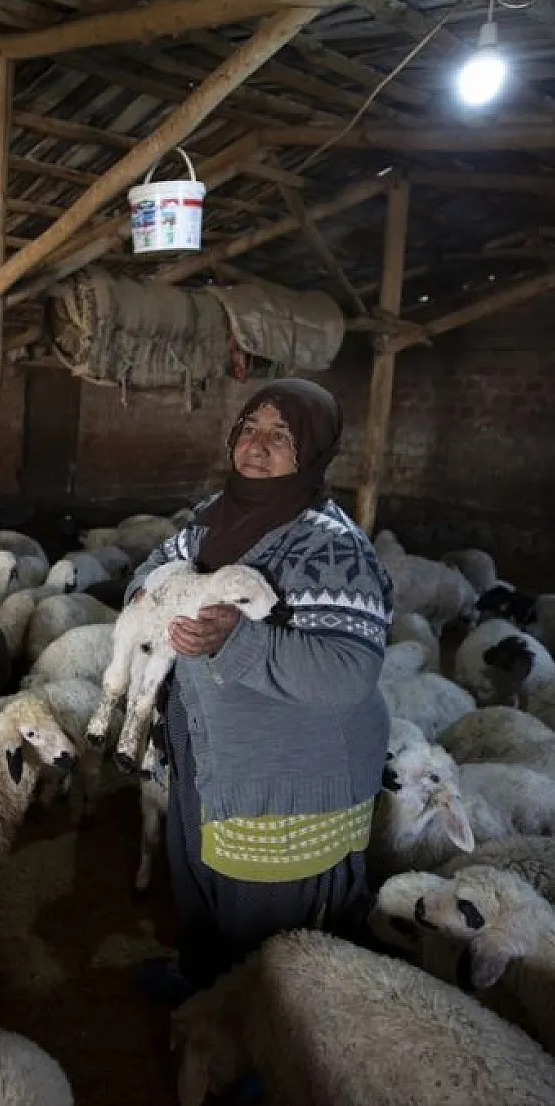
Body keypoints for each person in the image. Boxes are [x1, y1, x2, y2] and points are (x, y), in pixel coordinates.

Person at [130, 377, 393, 1002]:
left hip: (287, 773)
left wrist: (235, 639)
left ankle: (259, 1037)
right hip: (210, 752)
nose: (257, 444)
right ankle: (202, 985)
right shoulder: (209, 521)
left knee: (269, 925)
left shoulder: (334, 548)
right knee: (200, 880)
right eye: (249, 429)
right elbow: (149, 570)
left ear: (314, 452)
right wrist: (150, 594)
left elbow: (347, 672)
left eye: (281, 436)